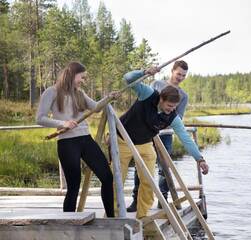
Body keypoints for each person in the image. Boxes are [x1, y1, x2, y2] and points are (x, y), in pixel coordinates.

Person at [117, 66, 209, 219]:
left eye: (174, 107)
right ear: (161, 99)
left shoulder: (172, 116)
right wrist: (144, 72)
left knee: (148, 181)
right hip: (123, 139)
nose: (171, 109)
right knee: (118, 178)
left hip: (145, 143)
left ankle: (142, 217)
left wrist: (200, 159)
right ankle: (114, 214)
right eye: (169, 106)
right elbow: (127, 78)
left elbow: (185, 138)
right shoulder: (148, 94)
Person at [36, 61, 114, 217]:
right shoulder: (51, 92)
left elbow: (96, 107)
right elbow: (40, 118)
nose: (82, 81)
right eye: (82, 77)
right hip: (67, 142)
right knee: (73, 186)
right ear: (72, 74)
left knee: (107, 176)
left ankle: (111, 218)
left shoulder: (79, 93)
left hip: (85, 139)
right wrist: (62, 123)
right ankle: (69, 222)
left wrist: (109, 98)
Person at [127, 60, 189, 212]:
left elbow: (177, 117)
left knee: (164, 168)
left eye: (183, 75)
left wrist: (162, 123)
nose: (180, 77)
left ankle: (163, 200)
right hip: (146, 134)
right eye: (178, 73)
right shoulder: (157, 84)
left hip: (165, 134)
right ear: (172, 71)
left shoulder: (183, 95)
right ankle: (136, 200)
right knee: (140, 166)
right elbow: (145, 105)